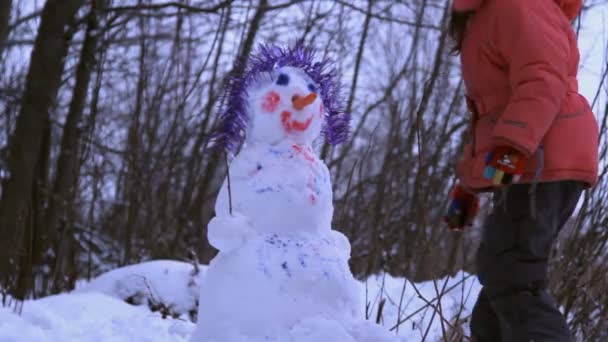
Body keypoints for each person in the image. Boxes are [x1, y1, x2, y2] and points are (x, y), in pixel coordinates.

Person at [444, 0, 599, 341]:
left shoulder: (518, 5)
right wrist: (468, 190)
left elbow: (541, 82)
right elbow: (491, 115)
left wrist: (508, 158)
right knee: (501, 273)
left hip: (544, 157)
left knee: (513, 275)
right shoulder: (484, 13)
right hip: (534, 158)